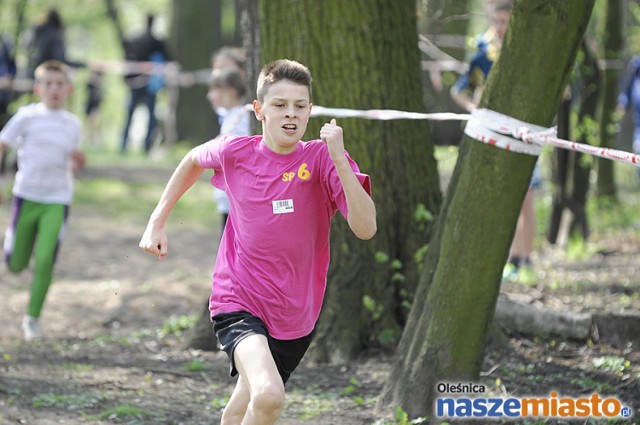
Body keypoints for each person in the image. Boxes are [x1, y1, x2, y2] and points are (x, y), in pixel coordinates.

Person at [139, 59, 376, 424]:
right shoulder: (236, 152)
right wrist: (157, 220)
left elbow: (366, 228)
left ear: (310, 111)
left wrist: (341, 161)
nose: (291, 114)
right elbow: (192, 158)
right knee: (268, 395)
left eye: (300, 106)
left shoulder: (322, 160)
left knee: (244, 405)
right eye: (280, 105)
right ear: (259, 110)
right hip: (238, 300)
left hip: (296, 313)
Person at [450, 0, 537, 282]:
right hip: (491, 137)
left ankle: (525, 259)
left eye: (506, 21)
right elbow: (459, 90)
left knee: (526, 196)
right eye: (497, 21)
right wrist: (476, 111)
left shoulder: (526, 50)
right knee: (495, 196)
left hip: (523, 133)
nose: (501, 27)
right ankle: (506, 259)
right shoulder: (483, 52)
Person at [0, 60, 85, 341]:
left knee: (46, 258)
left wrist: (77, 163)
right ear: (38, 88)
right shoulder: (26, 116)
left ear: (69, 89)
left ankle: (32, 318)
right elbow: (3, 144)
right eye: (48, 84)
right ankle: (13, 251)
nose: (54, 89)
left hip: (57, 199)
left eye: (60, 84)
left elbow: (74, 161)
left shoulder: (72, 124)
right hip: (26, 195)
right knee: (15, 265)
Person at [207, 67, 251, 232]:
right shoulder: (230, 115)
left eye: (218, 90)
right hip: (228, 193)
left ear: (231, 92)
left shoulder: (241, 118)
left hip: (235, 193)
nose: (212, 95)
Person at [120, 14, 171, 154]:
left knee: (131, 114)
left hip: (140, 83)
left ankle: (124, 145)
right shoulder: (157, 42)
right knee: (149, 114)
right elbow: (166, 61)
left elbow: (128, 60)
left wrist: (127, 79)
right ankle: (145, 146)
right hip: (148, 84)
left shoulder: (135, 40)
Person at [617, 55, 640, 176]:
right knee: (638, 149)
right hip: (639, 122)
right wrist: (623, 102)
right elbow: (628, 89)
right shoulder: (636, 65)